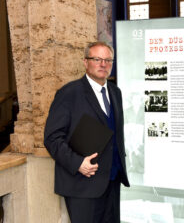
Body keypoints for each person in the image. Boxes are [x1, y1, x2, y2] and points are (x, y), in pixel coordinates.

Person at [44, 42, 130, 222]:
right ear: (85, 62)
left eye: (108, 60)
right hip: (82, 185)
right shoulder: (69, 93)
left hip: (112, 182)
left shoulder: (115, 92)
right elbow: (52, 138)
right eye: (97, 59)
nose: (103, 64)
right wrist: (77, 163)